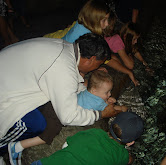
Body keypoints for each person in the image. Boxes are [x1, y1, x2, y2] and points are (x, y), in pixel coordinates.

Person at [0, 33, 122, 165]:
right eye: (98, 64)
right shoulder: (63, 68)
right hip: (5, 94)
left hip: (11, 76)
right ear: (91, 59)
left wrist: (85, 86)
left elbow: (63, 82)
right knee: (36, 124)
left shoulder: (65, 48)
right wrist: (100, 114)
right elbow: (68, 116)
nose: (97, 68)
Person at [31, 112, 144, 165]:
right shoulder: (121, 154)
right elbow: (129, 160)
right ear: (130, 142)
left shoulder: (96, 132)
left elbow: (70, 141)